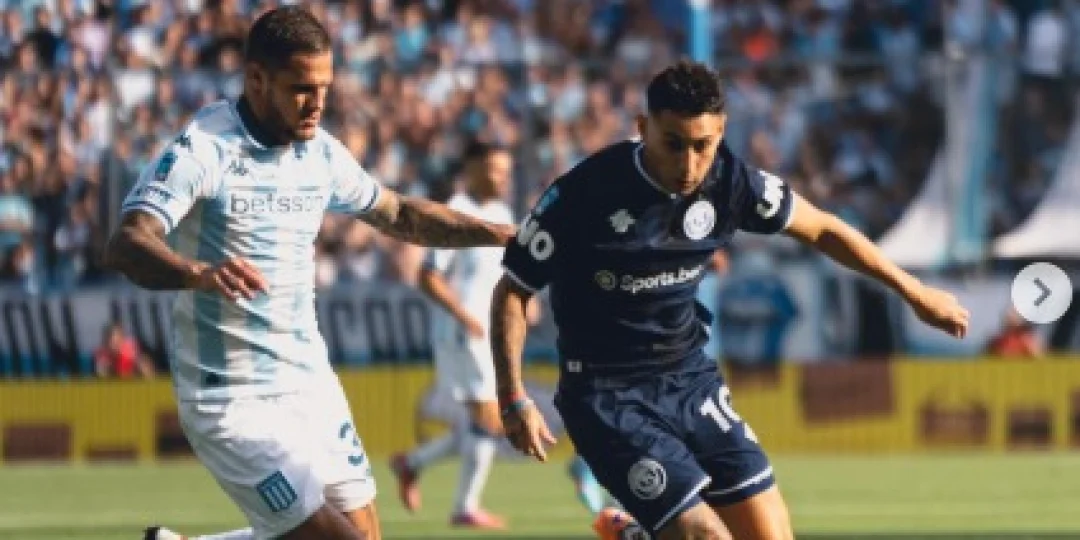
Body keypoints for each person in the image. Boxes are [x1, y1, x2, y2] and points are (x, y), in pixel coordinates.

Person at [490, 60, 969, 540]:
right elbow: (512, 291)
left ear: (721, 131)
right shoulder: (583, 194)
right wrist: (513, 398)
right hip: (607, 396)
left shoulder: (731, 182)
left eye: (703, 145)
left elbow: (823, 228)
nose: (689, 165)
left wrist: (915, 291)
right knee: (708, 536)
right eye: (673, 144)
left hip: (690, 380)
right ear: (643, 127)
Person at [102, 7, 513, 540]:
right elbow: (127, 243)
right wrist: (197, 272)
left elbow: (400, 214)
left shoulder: (320, 153)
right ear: (256, 79)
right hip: (230, 396)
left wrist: (501, 234)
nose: (317, 102)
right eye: (301, 88)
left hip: (308, 380)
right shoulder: (204, 148)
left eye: (324, 87)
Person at [388, 141, 607, 528]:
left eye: (506, 172)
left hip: (489, 331)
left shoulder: (502, 212)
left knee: (484, 420)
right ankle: (463, 505)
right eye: (493, 170)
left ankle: (414, 464)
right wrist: (464, 317)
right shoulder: (457, 210)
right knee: (491, 418)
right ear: (471, 169)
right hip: (463, 334)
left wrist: (526, 299)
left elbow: (507, 273)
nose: (502, 178)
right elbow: (427, 276)